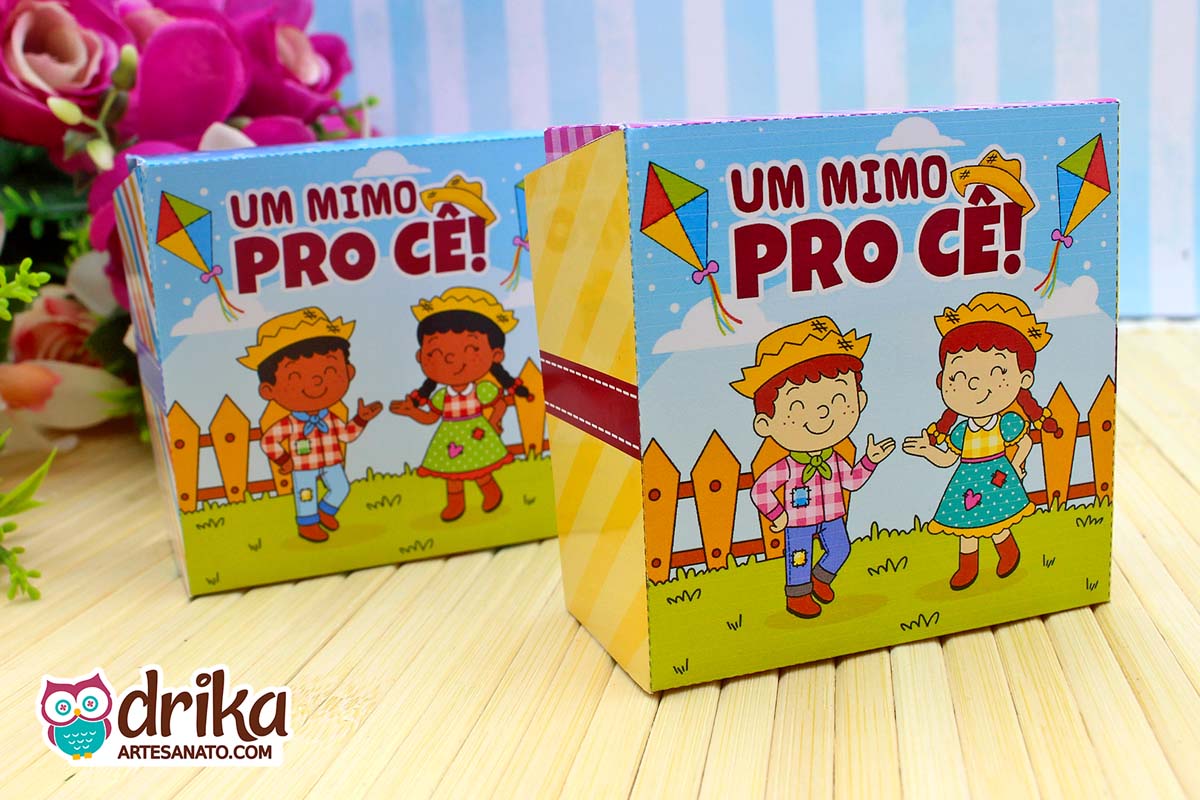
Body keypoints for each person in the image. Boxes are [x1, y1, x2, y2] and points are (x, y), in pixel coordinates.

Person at [731, 316, 895, 619]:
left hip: (832, 516)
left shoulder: (834, 459)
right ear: (765, 423)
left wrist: (870, 459)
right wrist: (778, 515)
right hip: (798, 521)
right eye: (797, 407)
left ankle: (821, 578)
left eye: (838, 399)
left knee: (841, 549)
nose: (821, 413)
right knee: (798, 558)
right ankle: (798, 596)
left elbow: (852, 481)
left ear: (859, 400)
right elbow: (760, 491)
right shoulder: (788, 466)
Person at [902, 292, 1056, 590]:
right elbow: (948, 459)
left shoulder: (1006, 423)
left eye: (995, 372)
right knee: (966, 529)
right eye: (958, 375)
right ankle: (967, 567)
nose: (973, 383)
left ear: (1024, 379)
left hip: (998, 479)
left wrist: (1016, 465)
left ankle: (1008, 551)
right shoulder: (961, 431)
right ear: (942, 380)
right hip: (966, 484)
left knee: (998, 522)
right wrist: (928, 451)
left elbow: (1025, 442)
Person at [238, 307, 382, 543]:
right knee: (305, 495)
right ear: (268, 390)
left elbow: (346, 435)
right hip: (303, 464)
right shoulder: (291, 423)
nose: (316, 381)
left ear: (348, 372)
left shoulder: (330, 418)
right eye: (296, 377)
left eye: (330, 371)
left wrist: (361, 419)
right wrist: (284, 460)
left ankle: (325, 510)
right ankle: (307, 525)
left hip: (331, 461)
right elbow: (269, 441)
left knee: (341, 488)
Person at [390, 287, 531, 522]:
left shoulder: (482, 390)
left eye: (470, 349)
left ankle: (491, 491)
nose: (450, 358)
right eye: (435, 352)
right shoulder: (440, 397)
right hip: (448, 439)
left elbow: (499, 405)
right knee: (451, 474)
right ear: (421, 356)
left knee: (481, 469)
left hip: (477, 435)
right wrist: (412, 412)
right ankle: (456, 503)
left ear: (496, 355)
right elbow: (431, 418)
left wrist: (493, 423)